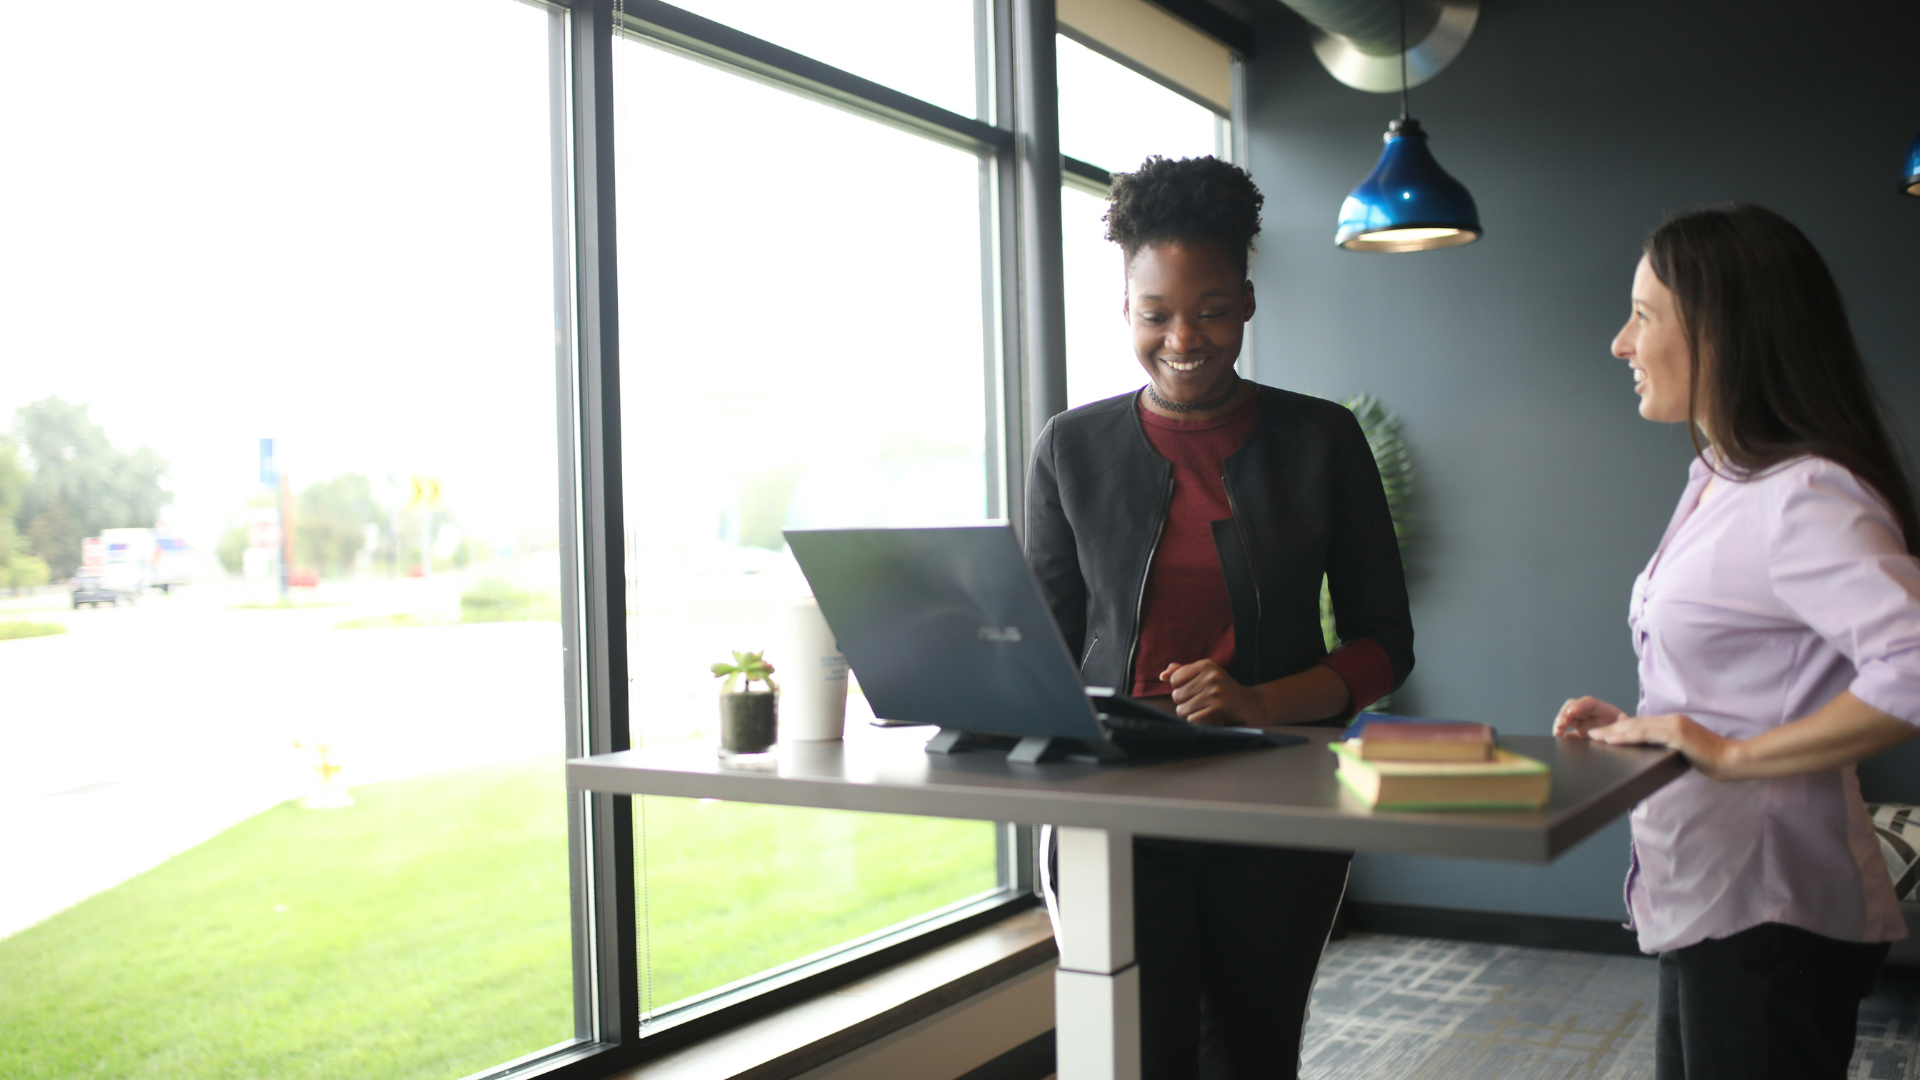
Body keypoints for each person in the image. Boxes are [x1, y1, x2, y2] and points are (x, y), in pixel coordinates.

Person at [1025, 155, 1414, 1078]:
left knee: (1250, 1058)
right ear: (1126, 312)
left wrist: (1263, 702)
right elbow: (1037, 643)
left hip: (1277, 805)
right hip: (1114, 804)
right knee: (1137, 1058)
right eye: (1155, 313)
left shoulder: (1322, 440)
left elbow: (1384, 644)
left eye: (1207, 309)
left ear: (1245, 301)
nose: (1182, 337)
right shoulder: (1070, 449)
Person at [1553, 203, 1920, 1080]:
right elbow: (1746, 667)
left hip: (1771, 909)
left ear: (1719, 331)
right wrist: (1655, 725)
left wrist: (1733, 753)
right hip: (1709, 891)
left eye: (1643, 316)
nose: (1619, 343)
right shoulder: (1719, 476)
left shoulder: (1806, 494)